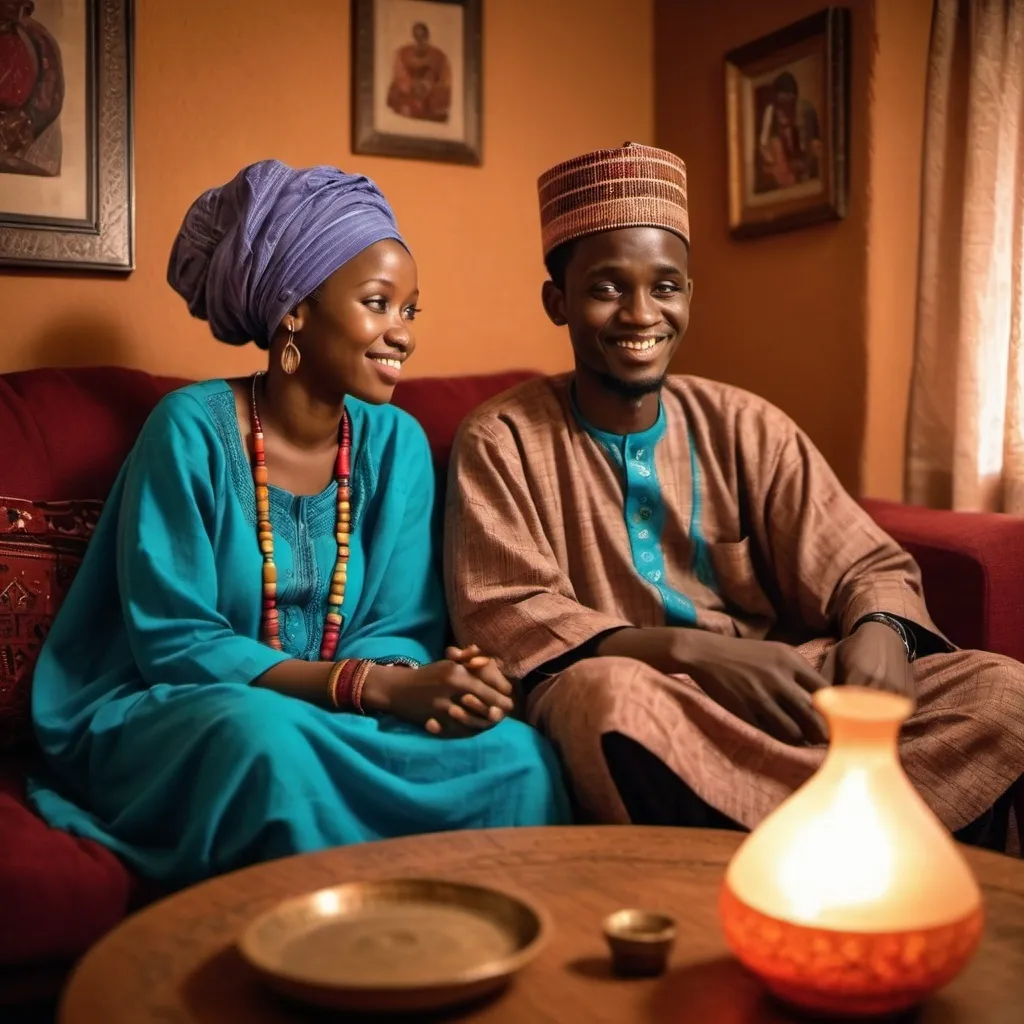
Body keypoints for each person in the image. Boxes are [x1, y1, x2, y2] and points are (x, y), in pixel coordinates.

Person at [445, 142, 1024, 854]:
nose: (639, 313)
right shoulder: (501, 438)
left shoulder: (745, 423)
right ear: (556, 301)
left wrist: (882, 629)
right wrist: (693, 654)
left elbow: (863, 562)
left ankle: (807, 841)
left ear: (689, 295)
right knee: (605, 704)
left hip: (785, 694)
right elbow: (506, 612)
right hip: (651, 703)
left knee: (1002, 690)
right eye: (605, 288)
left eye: (665, 286)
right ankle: (856, 840)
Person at [28, 160, 568, 888]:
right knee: (265, 746)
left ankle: (468, 947)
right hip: (193, 706)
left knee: (517, 758)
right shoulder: (189, 431)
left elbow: (396, 622)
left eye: (411, 310)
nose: (401, 333)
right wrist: (371, 688)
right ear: (295, 310)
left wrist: (440, 682)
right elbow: (177, 642)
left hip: (342, 708)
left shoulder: (397, 444)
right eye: (378, 303)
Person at [386, 21, 451, 123]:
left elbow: (445, 78)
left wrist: (428, 85)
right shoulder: (403, 52)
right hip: (410, 88)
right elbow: (399, 73)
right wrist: (412, 84)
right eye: (417, 35)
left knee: (438, 102)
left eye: (422, 35)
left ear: (427, 35)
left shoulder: (439, 55)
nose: (420, 38)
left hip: (431, 89)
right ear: (413, 36)